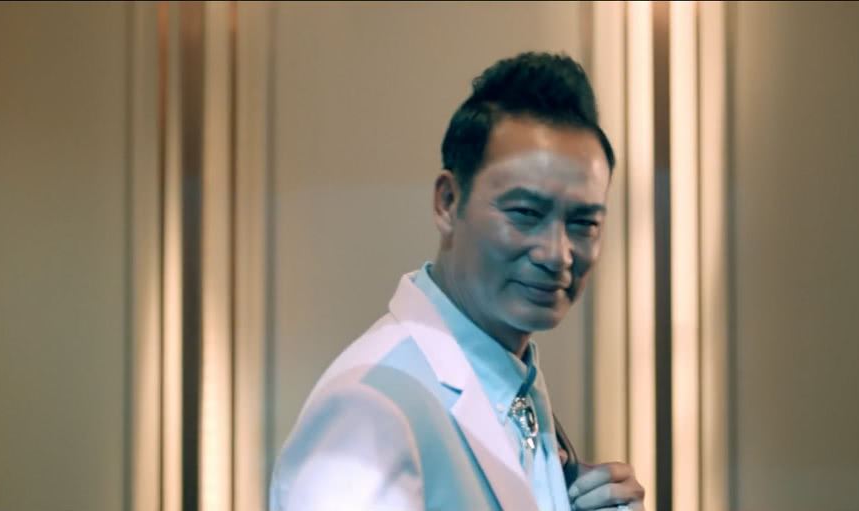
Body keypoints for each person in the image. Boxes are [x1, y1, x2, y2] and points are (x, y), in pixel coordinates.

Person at [270, 51, 645, 511]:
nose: (557, 254)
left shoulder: (513, 382)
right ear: (448, 202)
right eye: (526, 213)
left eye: (584, 222)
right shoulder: (370, 408)